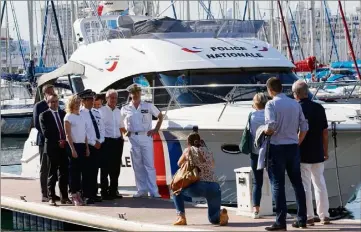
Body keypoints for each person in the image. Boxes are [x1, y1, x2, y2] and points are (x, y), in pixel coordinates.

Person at [264, 77, 308, 231]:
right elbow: (304, 126)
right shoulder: (295, 104)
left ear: (270, 90)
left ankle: (281, 221)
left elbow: (271, 125)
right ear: (281, 88)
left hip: (277, 147)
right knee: (297, 183)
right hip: (293, 146)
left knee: (278, 184)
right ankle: (302, 219)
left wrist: (264, 131)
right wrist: (297, 141)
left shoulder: (271, 104)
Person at [292, 80, 331, 225]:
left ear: (296, 94)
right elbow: (325, 132)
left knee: (305, 185)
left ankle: (308, 216)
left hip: (302, 152)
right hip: (318, 151)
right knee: (320, 183)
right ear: (307, 92)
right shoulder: (319, 107)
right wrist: (325, 150)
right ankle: (324, 215)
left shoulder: (296, 108)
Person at [172, 131, 228, 226]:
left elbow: (179, 163)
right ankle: (221, 215)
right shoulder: (208, 151)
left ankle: (181, 217)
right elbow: (213, 165)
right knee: (213, 219)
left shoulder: (188, 150)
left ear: (189, 142)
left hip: (198, 185)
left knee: (176, 190)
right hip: (214, 186)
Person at [120, 84, 163, 198]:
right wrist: (124, 131)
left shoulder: (148, 106)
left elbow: (160, 116)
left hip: (146, 136)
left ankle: (153, 191)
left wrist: (156, 129)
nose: (136, 94)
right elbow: (119, 122)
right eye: (134, 92)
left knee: (149, 165)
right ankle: (141, 190)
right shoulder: (125, 108)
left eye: (138, 92)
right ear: (130, 94)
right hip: (133, 137)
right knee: (137, 165)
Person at [39, 94, 71, 206]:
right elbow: (46, 133)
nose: (54, 103)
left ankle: (64, 197)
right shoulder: (44, 115)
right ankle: (51, 197)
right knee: (52, 173)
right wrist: (59, 141)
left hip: (64, 147)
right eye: (52, 102)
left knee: (64, 173)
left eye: (56, 101)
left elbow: (68, 129)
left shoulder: (63, 114)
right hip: (52, 148)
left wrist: (64, 141)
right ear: (48, 103)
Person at [33, 84, 59, 202]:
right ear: (44, 93)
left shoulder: (56, 103)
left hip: (56, 141)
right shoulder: (39, 106)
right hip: (44, 141)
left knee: (54, 167)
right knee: (45, 168)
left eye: (52, 91)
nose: (51, 93)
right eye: (49, 92)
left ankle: (52, 193)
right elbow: (37, 124)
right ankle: (44, 194)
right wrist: (48, 136)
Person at [79, 89, 105, 204]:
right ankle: (87, 195)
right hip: (88, 146)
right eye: (89, 100)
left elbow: (101, 128)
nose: (91, 101)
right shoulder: (80, 114)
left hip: (99, 145)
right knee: (87, 171)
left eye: (92, 99)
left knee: (95, 170)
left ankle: (94, 193)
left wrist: (101, 140)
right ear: (83, 101)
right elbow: (83, 132)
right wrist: (93, 143)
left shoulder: (96, 112)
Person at [64, 95, 90, 206]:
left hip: (82, 145)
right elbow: (67, 135)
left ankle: (79, 193)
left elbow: (84, 134)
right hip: (73, 146)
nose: (78, 105)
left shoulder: (81, 116)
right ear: (71, 104)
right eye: (76, 103)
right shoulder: (68, 117)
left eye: (79, 103)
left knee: (81, 171)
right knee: (73, 172)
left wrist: (87, 147)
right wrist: (72, 149)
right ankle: (73, 194)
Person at [99, 89, 124, 200]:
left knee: (116, 168)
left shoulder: (119, 111)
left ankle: (113, 191)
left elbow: (121, 126)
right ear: (106, 98)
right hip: (106, 142)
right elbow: (100, 127)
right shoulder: (102, 111)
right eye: (111, 97)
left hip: (117, 141)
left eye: (115, 98)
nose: (113, 100)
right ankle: (104, 192)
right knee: (105, 168)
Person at [249, 93, 268, 219]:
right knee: (274, 180)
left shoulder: (251, 115)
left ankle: (256, 210)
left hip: (255, 151)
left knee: (257, 182)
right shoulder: (269, 114)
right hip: (269, 150)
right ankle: (278, 209)